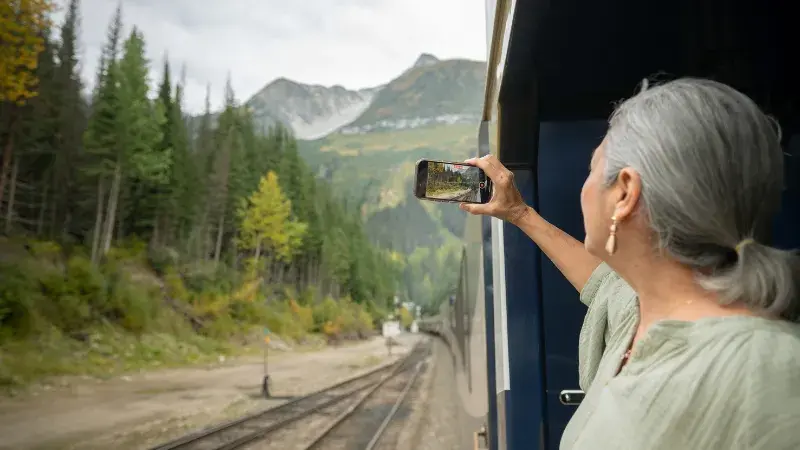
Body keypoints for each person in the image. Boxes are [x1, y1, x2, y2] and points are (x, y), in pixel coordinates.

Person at [460, 78, 800, 450]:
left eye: (591, 169)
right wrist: (519, 213)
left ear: (624, 192)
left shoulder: (772, 373)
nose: (584, 187)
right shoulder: (640, 310)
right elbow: (603, 283)